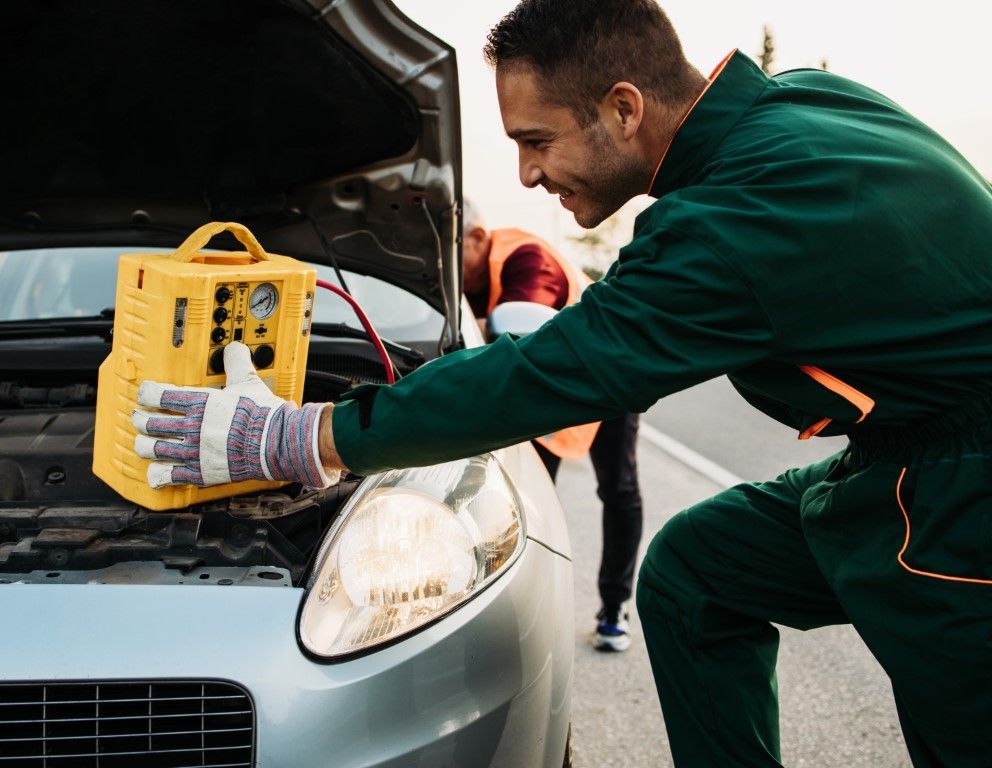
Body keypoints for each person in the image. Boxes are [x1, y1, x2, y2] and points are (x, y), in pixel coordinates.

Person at [131, 0, 992, 764]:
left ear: (623, 108)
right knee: (699, 570)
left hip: (964, 494)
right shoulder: (799, 107)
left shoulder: (740, 218)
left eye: (535, 141)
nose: (527, 177)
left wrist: (304, 435)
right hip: (906, 450)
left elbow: (551, 371)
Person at [461, 195, 643, 652]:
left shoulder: (527, 259)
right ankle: (523, 612)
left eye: (451, 248)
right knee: (529, 498)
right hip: (551, 381)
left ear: (478, 238)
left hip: (610, 370)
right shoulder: (464, 278)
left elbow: (524, 335)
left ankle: (615, 606)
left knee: (617, 488)